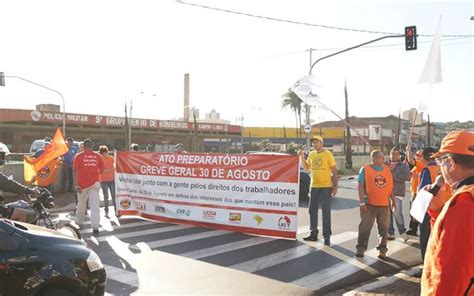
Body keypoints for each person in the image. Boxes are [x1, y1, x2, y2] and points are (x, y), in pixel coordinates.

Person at [421, 130, 474, 295]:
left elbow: (450, 276)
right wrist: (438, 211)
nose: (440, 168)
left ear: (450, 163)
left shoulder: (464, 202)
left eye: (440, 161)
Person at [298, 135, 338, 246]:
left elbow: (334, 170)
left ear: (321, 143)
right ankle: (313, 234)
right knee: (312, 211)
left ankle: (326, 237)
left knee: (326, 212)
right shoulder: (311, 154)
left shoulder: (328, 154)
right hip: (314, 186)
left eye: (316, 142)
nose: (314, 144)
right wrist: (301, 156)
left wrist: (335, 186)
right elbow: (306, 168)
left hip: (325, 187)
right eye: (313, 143)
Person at [356, 150, 396, 259]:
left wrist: (393, 200)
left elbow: (390, 188)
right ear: (373, 158)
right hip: (369, 204)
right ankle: (361, 249)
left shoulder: (387, 170)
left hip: (384, 205)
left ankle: (382, 250)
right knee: (365, 228)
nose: (383, 159)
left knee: (384, 229)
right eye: (380, 157)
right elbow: (360, 186)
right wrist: (362, 202)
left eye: (383, 157)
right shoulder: (365, 169)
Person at [73, 139, 104, 234]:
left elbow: (74, 171)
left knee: (81, 205)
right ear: (92, 146)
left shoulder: (78, 156)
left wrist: (76, 184)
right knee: (95, 206)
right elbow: (102, 169)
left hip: (81, 185)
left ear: (83, 146)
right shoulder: (98, 156)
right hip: (95, 184)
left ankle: (79, 223)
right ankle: (95, 226)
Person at [417, 147, 439, 263]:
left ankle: (426, 265)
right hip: (444, 207)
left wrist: (417, 213)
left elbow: (423, 193)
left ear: (424, 157)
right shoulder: (443, 168)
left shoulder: (427, 170)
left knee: (425, 237)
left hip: (429, 209)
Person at [386, 147, 410, 241]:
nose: (394, 155)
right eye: (392, 153)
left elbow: (406, 177)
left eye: (396, 153)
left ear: (399, 155)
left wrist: (391, 176)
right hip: (385, 192)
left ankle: (402, 231)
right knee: (388, 213)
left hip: (397, 192)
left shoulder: (403, 165)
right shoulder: (385, 164)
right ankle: (390, 232)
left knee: (397, 212)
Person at [405, 149, 425, 236]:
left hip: (418, 192)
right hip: (413, 191)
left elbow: (410, 159)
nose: (417, 157)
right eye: (416, 155)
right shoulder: (416, 166)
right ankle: (413, 229)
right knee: (413, 212)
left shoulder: (421, 164)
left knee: (416, 212)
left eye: (419, 155)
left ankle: (416, 229)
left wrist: (408, 150)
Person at [99, 145, 116, 218]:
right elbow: (100, 170)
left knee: (113, 196)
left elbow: (117, 164)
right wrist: (111, 170)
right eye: (103, 153)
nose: (105, 154)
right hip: (103, 181)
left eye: (106, 152)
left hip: (112, 180)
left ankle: (116, 211)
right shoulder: (100, 160)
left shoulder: (111, 158)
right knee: (106, 196)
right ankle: (106, 211)